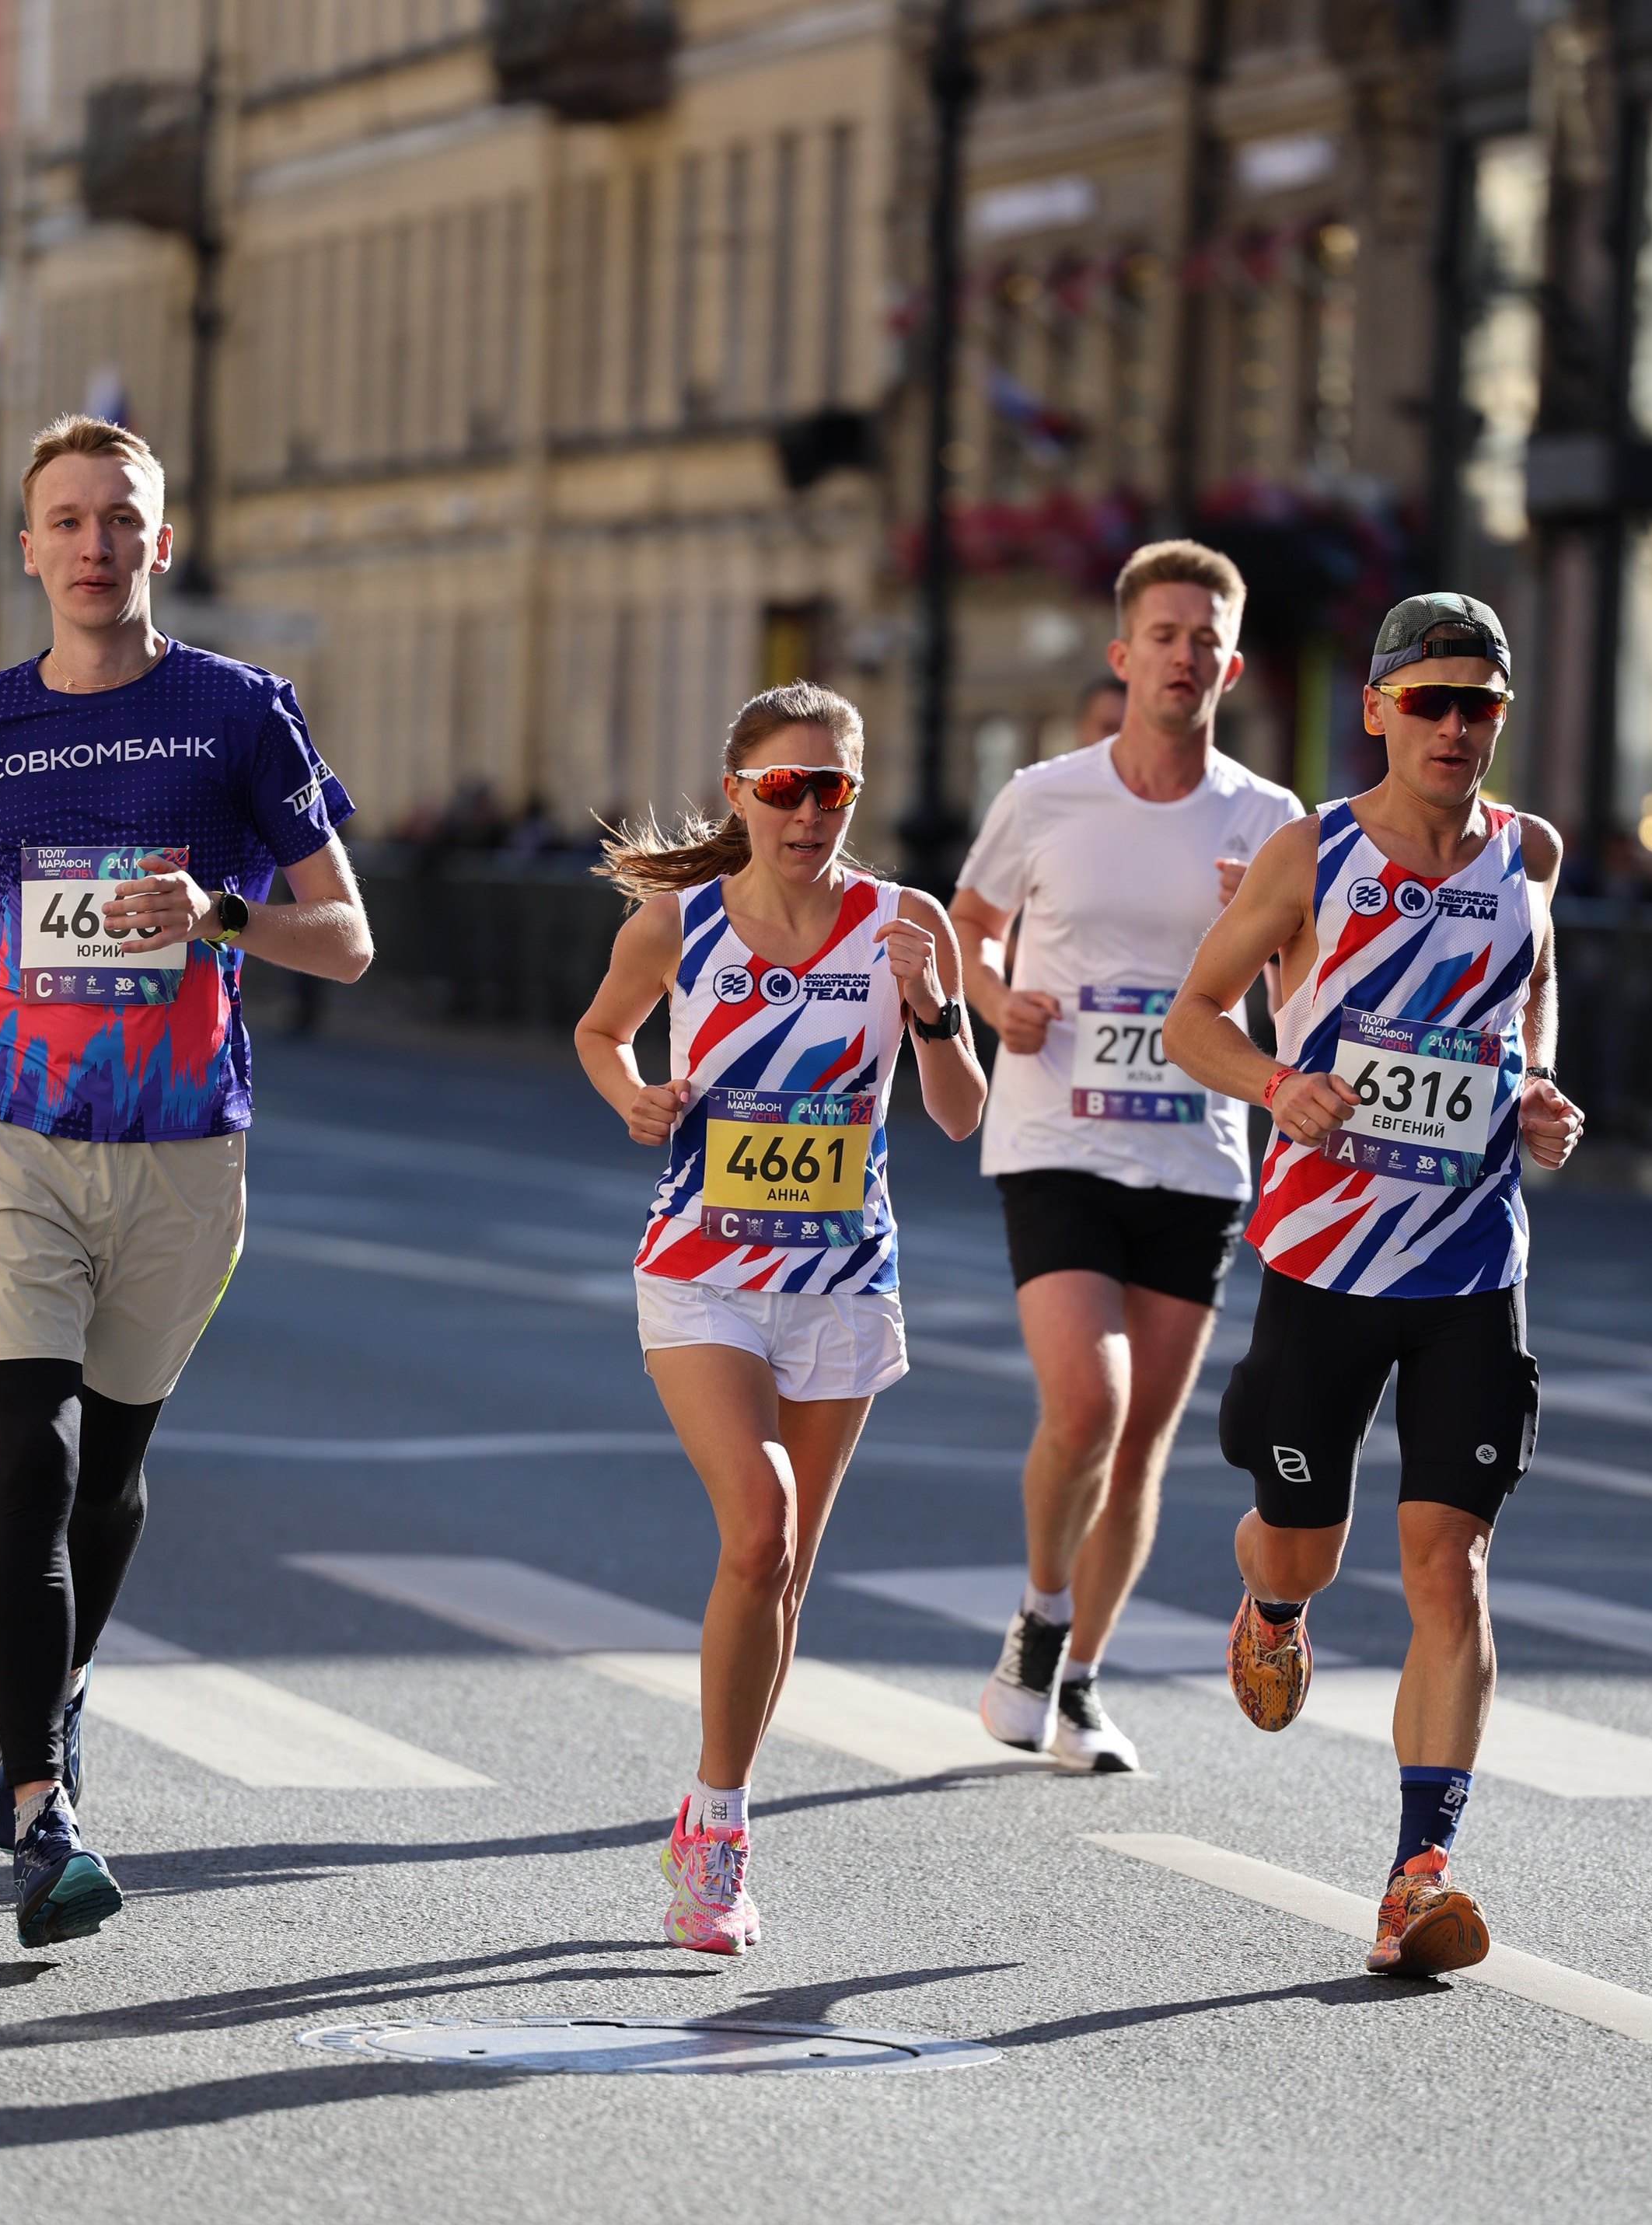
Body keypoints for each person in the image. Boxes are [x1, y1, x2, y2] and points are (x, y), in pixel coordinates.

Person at [0, 414, 371, 1949]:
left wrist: (223, 915)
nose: (94, 543)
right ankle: (43, 1811)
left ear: (161, 542)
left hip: (182, 1146)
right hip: (10, 1129)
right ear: (27, 548)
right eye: (66, 519)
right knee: (28, 1449)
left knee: (110, 1470)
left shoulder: (238, 716)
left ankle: (59, 1689)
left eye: (121, 519)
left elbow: (343, 936)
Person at [1162, 589, 1584, 1979]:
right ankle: (1272, 1605)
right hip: (1326, 1259)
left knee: (1449, 1564)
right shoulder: (1314, 854)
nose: (1457, 728)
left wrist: (1538, 1093)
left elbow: (1531, 995)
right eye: (1432, 702)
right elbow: (1192, 1021)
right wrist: (1282, 1085)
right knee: (1308, 1541)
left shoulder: (1530, 851)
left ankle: (1419, 1872)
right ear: (1380, 713)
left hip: (1471, 1261)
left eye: (1481, 707)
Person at [575, 681, 987, 1954]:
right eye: (785, 788)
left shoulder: (905, 924)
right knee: (760, 1530)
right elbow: (600, 1033)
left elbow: (965, 1112)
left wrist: (932, 1010)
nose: (810, 812)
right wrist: (634, 1094)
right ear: (739, 793)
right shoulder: (676, 925)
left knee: (788, 1567)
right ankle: (713, 1840)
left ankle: (724, 1804)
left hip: (843, 1280)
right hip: (700, 1267)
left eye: (834, 790)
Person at [951, 539, 1301, 1773]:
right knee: (1086, 1402)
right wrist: (995, 1006)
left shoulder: (1272, 825)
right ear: (1124, 654)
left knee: (1145, 1434)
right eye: (1164, 633)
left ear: (1231, 663)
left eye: (1206, 636)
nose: (1184, 653)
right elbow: (968, 930)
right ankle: (1041, 1619)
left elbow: (1309, 992)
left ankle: (1083, 1681)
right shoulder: (1047, 796)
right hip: (1056, 1132)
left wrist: (1265, 941)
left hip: (1198, 1149)